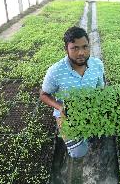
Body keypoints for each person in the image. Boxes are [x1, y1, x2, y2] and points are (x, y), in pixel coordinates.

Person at [40, 26, 105, 158]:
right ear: (66, 49)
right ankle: (72, 142)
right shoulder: (56, 71)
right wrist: (60, 107)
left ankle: (87, 134)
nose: (81, 52)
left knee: (98, 133)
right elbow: (43, 94)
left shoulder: (97, 65)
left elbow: (101, 90)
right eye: (75, 48)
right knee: (78, 152)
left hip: (90, 109)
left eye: (85, 47)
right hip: (66, 115)